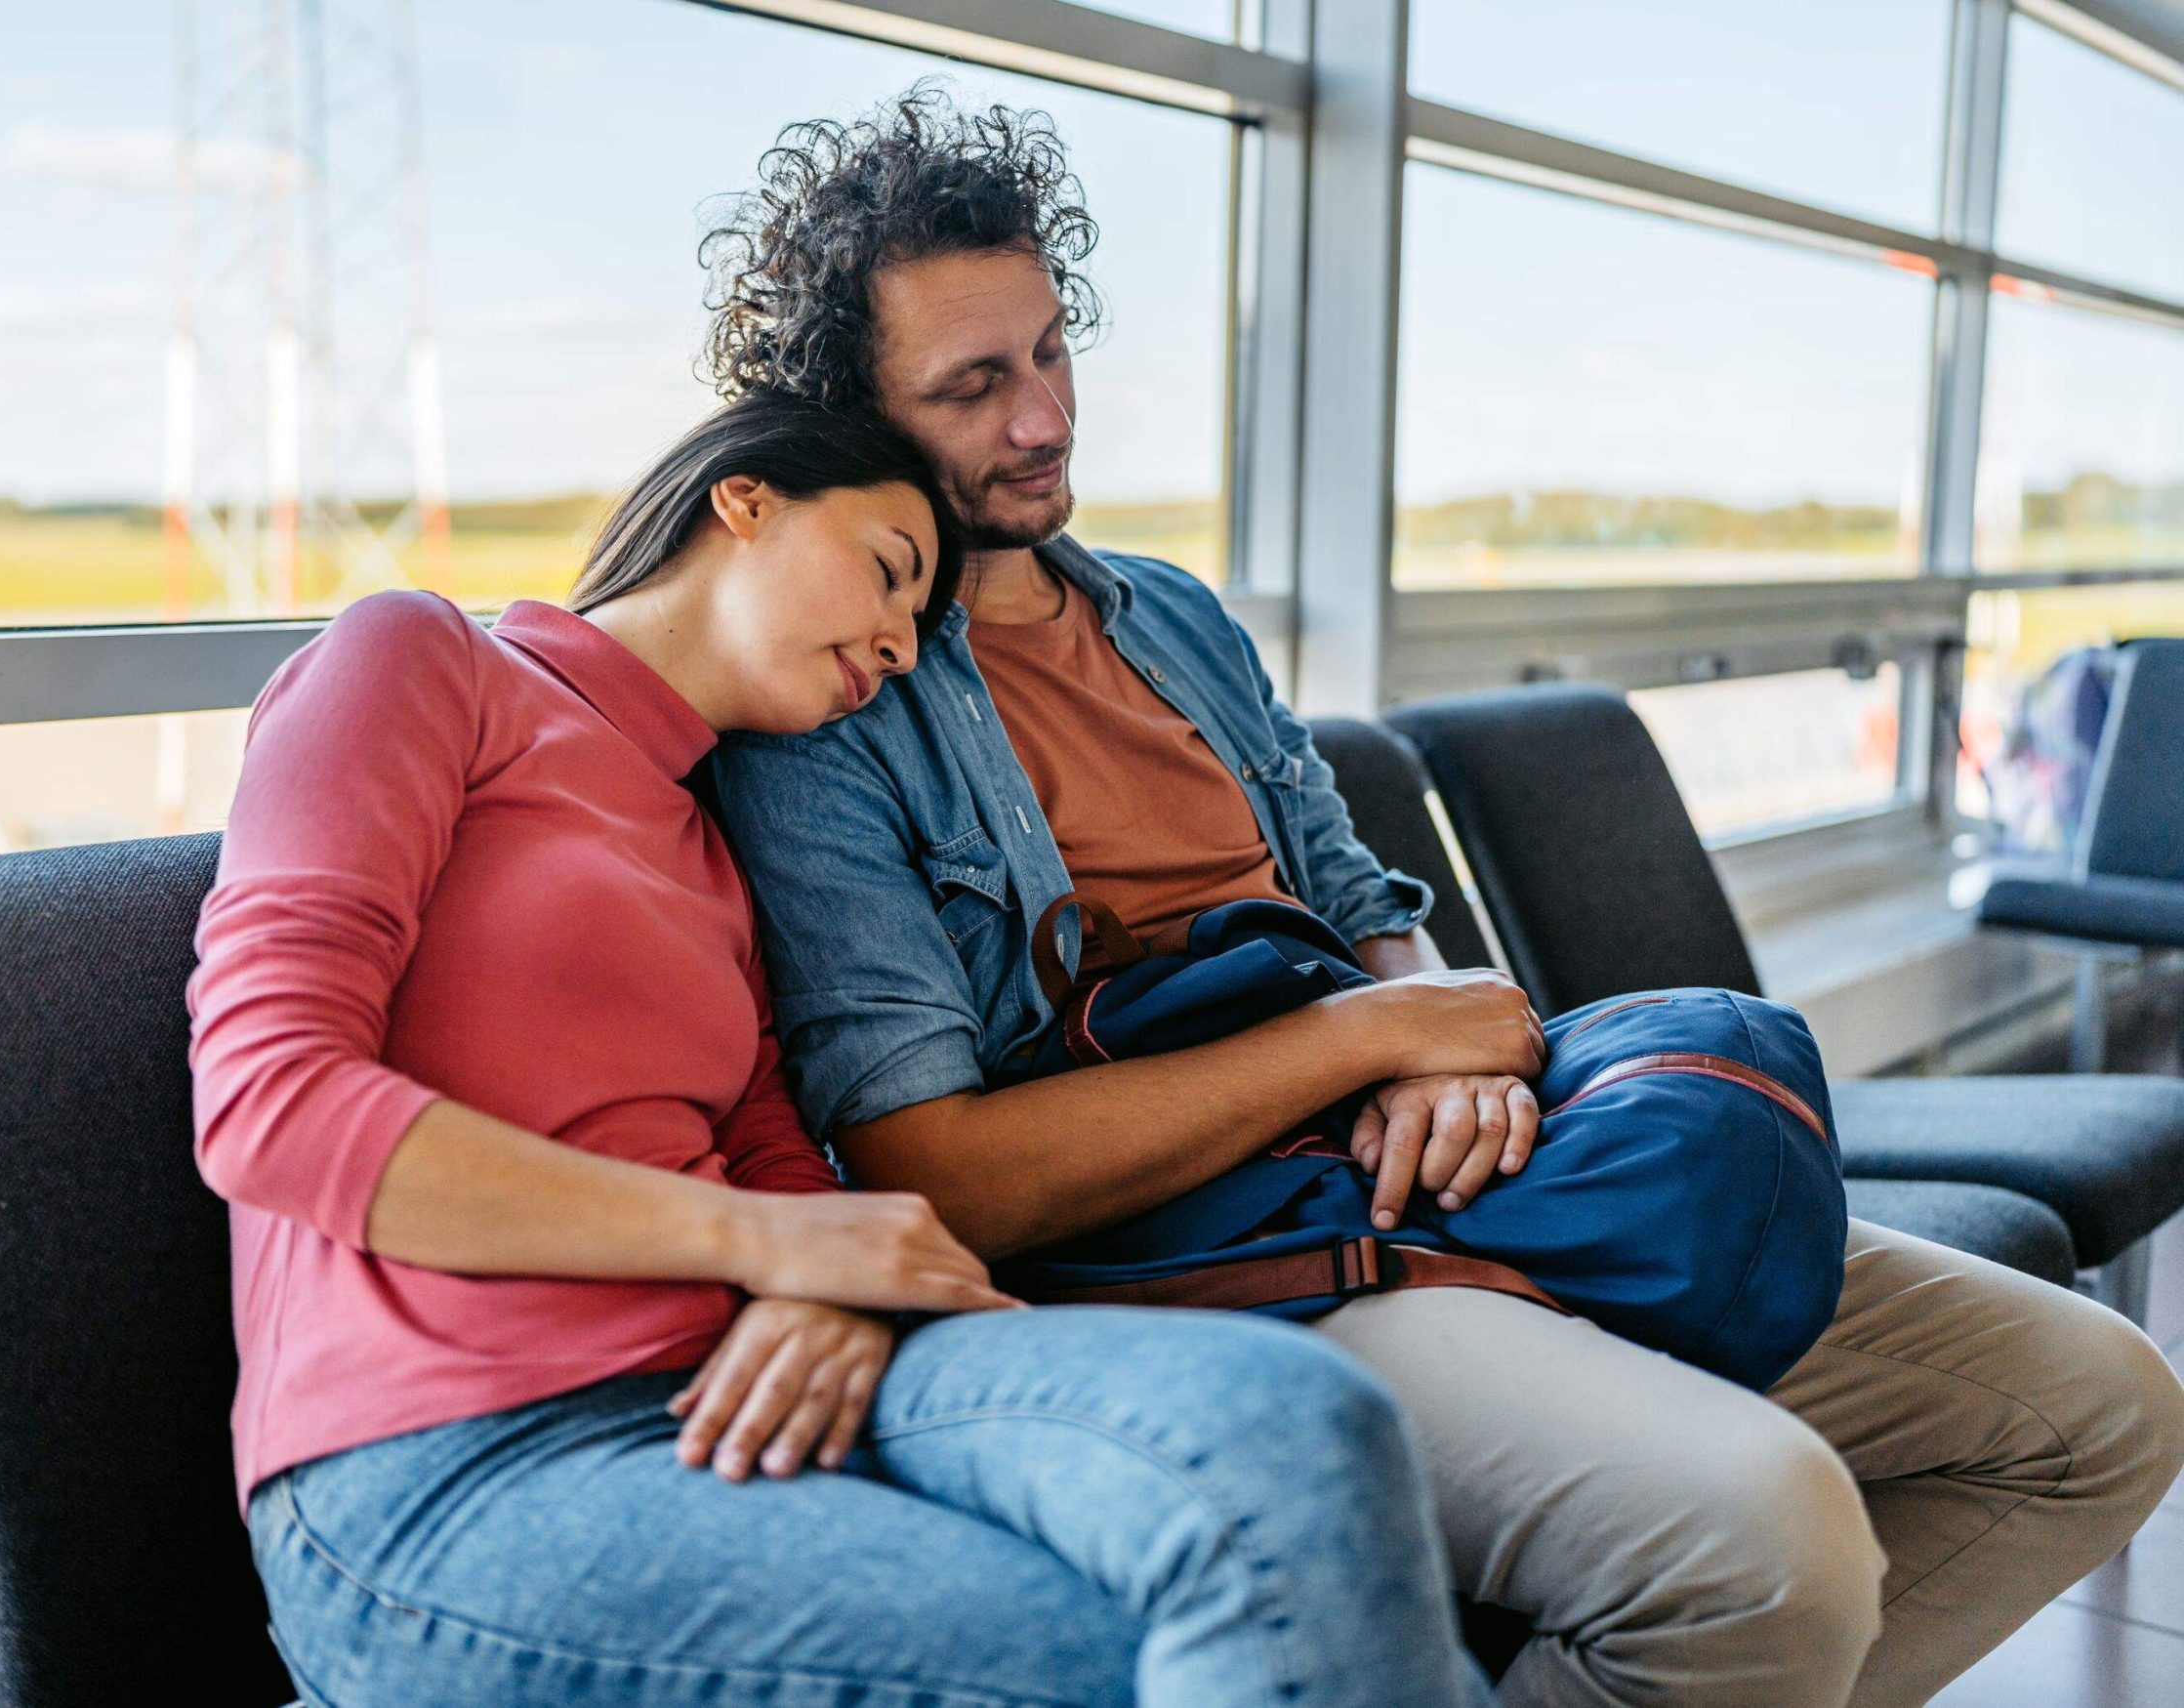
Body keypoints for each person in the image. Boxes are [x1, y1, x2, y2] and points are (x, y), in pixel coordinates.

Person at [703, 88, 2184, 1708]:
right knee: (1767, 1545)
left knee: (2101, 1402)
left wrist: (1459, 1052)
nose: (1046, 417)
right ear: (850, 415)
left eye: (1051, 351)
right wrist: (1389, 1032)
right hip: (1215, 1260)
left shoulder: (1177, 620)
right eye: (974, 386)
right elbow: (942, 1173)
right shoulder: (835, 709)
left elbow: (1355, 893)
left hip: (1435, 1168)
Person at [188, 387, 1491, 1708]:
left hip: (777, 1368)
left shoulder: (712, 840)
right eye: (887, 570)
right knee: (1171, 1642)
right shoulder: (420, 662)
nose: (899, 641)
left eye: (922, 622)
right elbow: (268, 1098)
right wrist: (768, 1247)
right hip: (452, 1453)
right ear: (742, 500)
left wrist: (821, 1275)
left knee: (1309, 1429)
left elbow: (765, 1141)